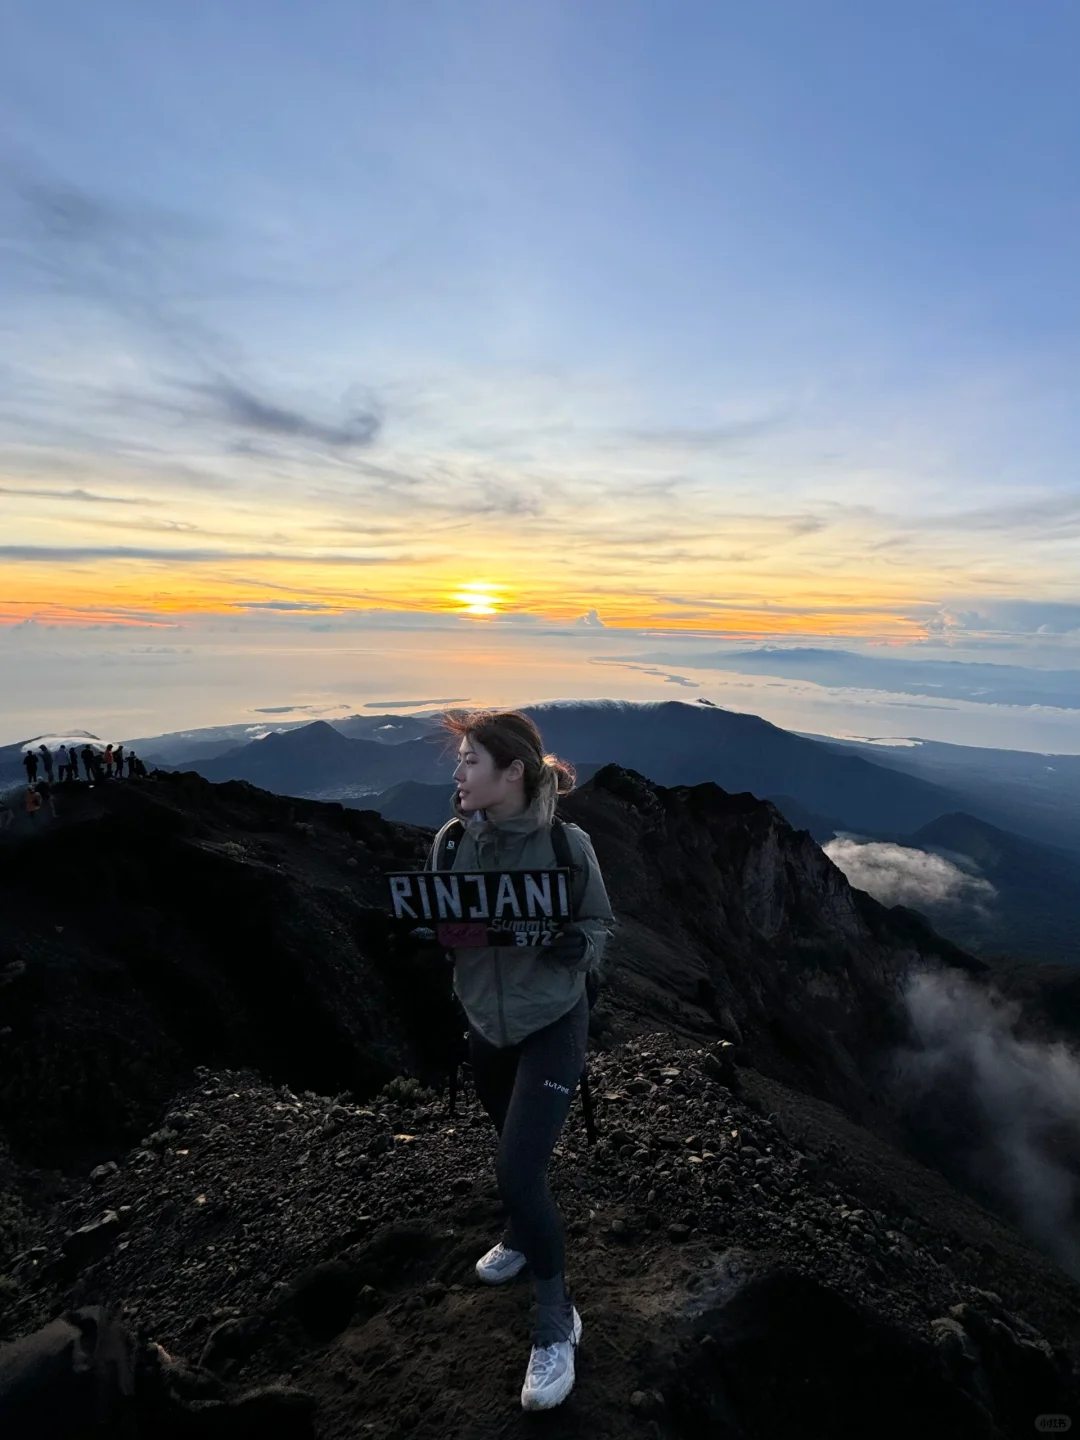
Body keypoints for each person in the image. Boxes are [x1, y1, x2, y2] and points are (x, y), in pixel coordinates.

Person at [426, 709, 614, 1412]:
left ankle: (555, 1316)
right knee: (511, 1151)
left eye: (471, 760)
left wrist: (580, 947)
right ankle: (518, 1230)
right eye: (460, 760)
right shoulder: (449, 844)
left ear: (512, 774)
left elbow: (598, 920)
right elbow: (450, 928)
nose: (458, 772)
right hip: (485, 1024)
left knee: (517, 1167)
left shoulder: (567, 844)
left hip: (552, 1021)